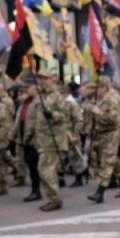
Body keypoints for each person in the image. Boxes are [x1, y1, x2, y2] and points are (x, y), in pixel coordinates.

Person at [87, 76, 120, 203]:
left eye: (97, 88)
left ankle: (100, 192)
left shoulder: (113, 99)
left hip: (112, 133)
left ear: (105, 87)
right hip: (103, 134)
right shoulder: (104, 98)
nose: (96, 91)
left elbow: (113, 119)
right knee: (113, 160)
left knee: (107, 162)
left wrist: (98, 112)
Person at [33, 72, 69, 212]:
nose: (42, 81)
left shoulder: (56, 96)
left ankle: (55, 199)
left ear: (52, 80)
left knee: (46, 170)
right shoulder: (41, 96)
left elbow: (64, 115)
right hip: (43, 139)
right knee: (44, 170)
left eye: (45, 78)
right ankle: (52, 198)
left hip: (53, 139)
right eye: (40, 78)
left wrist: (53, 115)